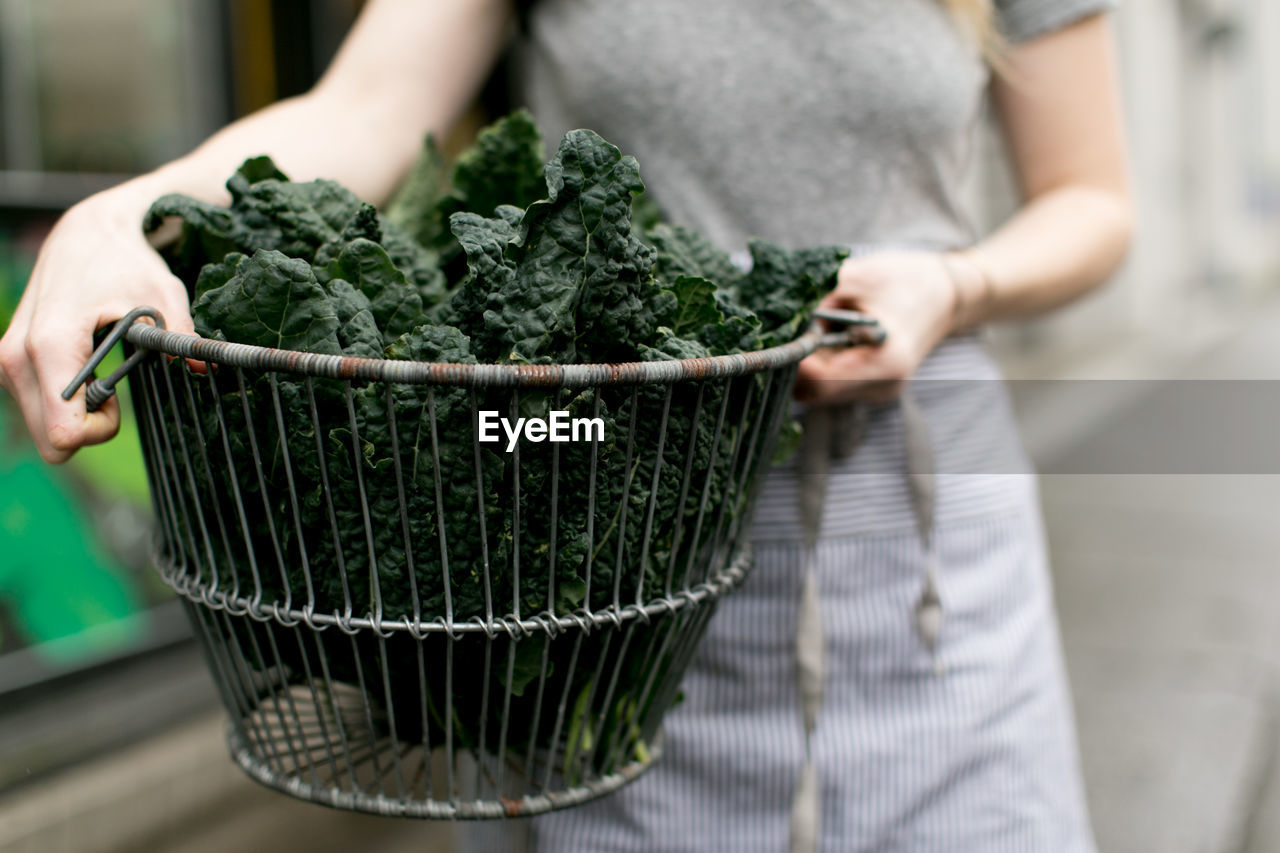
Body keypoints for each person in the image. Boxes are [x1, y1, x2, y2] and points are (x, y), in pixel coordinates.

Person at [0, 0, 1132, 849]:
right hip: (606, 525)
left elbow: (1092, 200)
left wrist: (955, 285)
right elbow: (363, 109)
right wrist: (122, 219)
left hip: (915, 520)